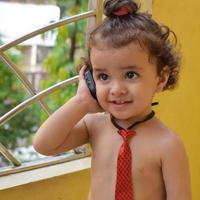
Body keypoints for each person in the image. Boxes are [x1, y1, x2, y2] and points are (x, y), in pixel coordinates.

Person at [33, 0, 192, 199]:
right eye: (103, 77)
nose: (116, 90)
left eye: (131, 74)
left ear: (160, 78)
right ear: (91, 79)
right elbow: (44, 145)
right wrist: (81, 102)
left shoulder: (168, 144)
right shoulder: (94, 126)